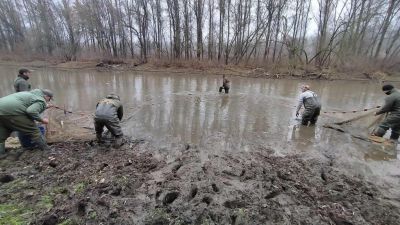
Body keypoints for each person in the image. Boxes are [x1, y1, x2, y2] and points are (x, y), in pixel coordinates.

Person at [0, 89, 53, 155]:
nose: (48, 101)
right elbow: (31, 111)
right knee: (34, 131)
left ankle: (1, 155)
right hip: (14, 112)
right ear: (46, 96)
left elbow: (27, 105)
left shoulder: (29, 94)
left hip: (2, 110)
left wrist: (45, 106)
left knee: (1, 135)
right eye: (49, 99)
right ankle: (46, 149)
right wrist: (42, 120)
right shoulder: (41, 100)